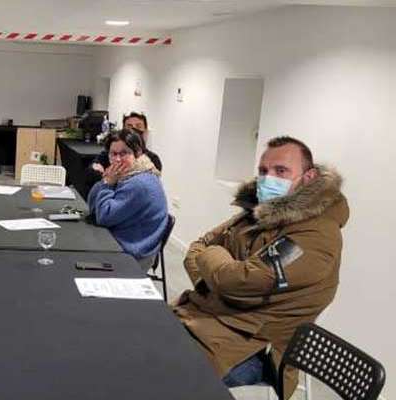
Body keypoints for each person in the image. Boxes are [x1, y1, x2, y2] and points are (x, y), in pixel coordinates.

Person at [174, 136, 349, 399]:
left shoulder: (316, 235)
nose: (268, 179)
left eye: (281, 171)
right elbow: (196, 249)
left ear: (309, 177)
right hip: (205, 319)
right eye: (263, 171)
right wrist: (216, 279)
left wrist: (216, 266)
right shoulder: (259, 210)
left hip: (252, 348)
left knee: (154, 369)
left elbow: (236, 280)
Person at [87, 128, 168, 270]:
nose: (117, 159)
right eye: (113, 154)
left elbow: (104, 216)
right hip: (124, 239)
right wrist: (105, 181)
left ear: (137, 153)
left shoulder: (139, 182)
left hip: (132, 254)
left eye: (124, 153)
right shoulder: (129, 174)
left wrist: (107, 184)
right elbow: (93, 206)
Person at [89, 112, 162, 182]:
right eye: (129, 127)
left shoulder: (153, 159)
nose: (118, 159)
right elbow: (93, 170)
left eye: (138, 126)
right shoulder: (108, 154)